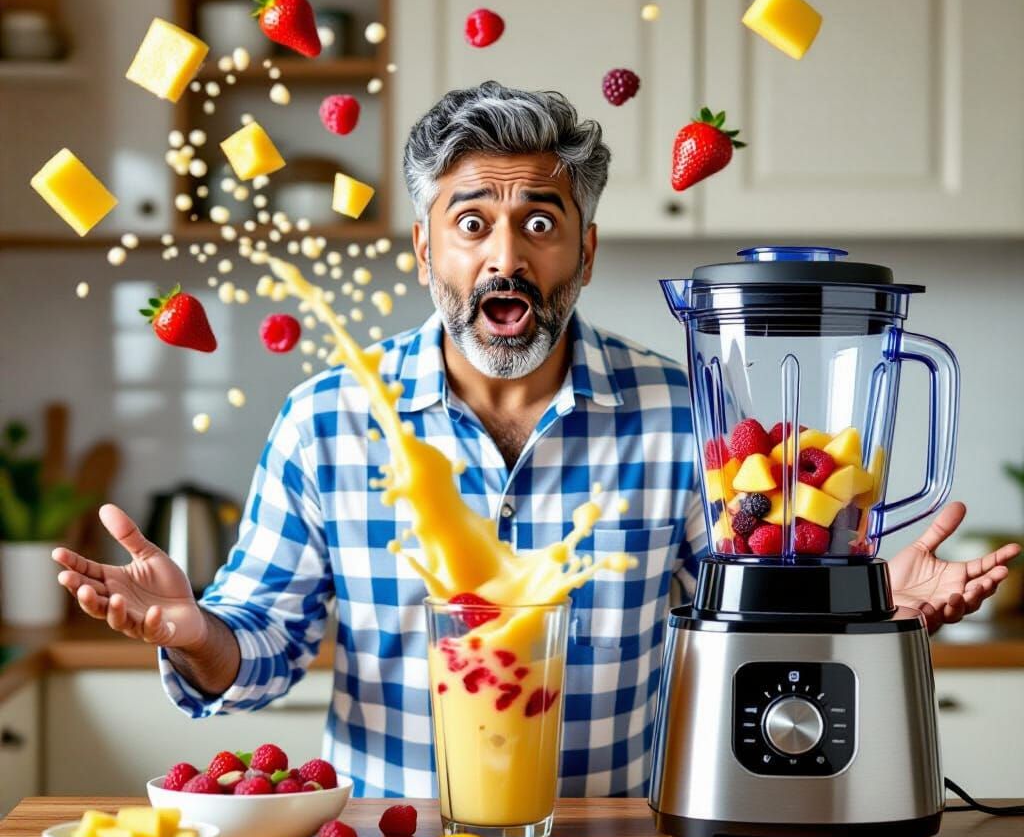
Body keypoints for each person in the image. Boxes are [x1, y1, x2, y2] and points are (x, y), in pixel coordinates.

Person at [52, 81, 1021, 797]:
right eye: (471, 223)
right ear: (426, 249)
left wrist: (861, 606)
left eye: (540, 223)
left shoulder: (686, 416)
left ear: (585, 251)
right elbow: (254, 647)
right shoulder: (328, 420)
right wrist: (192, 635)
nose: (505, 258)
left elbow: (749, 631)